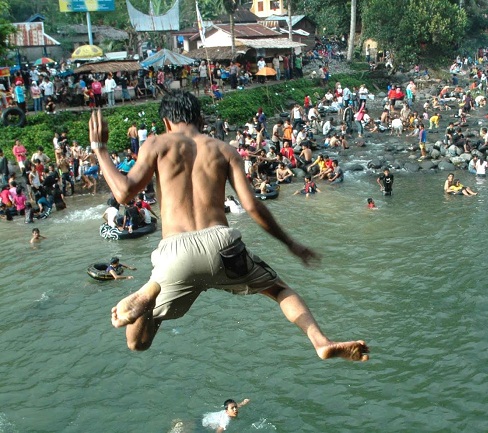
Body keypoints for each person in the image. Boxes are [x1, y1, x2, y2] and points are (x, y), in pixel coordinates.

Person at [91, 93, 368, 361]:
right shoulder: (224, 149)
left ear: (166, 123)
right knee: (281, 290)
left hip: (176, 253)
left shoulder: (157, 143)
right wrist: (291, 244)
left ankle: (151, 292)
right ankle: (321, 342)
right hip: (223, 245)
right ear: (200, 119)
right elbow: (252, 206)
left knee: (137, 343)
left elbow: (124, 193)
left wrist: (100, 149)